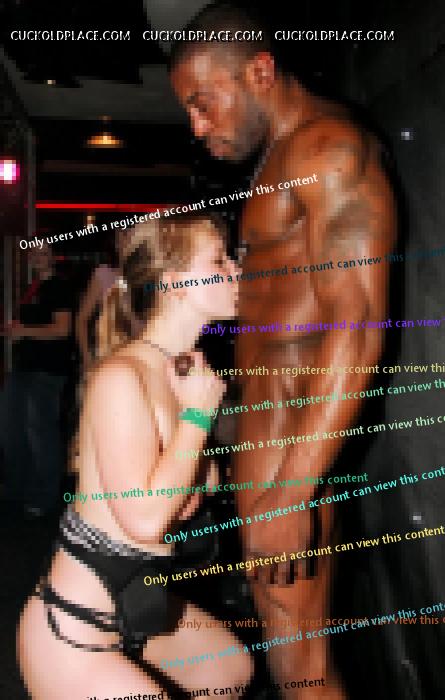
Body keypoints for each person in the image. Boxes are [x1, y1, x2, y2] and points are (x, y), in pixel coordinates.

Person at [169, 4, 397, 696]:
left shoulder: (328, 151)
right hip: (271, 434)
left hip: (292, 442)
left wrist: (293, 489)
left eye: (203, 103)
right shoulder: (284, 158)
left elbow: (357, 323)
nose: (197, 126)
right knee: (293, 660)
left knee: (302, 669)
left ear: (260, 72)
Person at [18, 216, 252, 699]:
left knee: (229, 672)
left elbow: (200, 487)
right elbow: (145, 518)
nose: (236, 270)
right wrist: (197, 418)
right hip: (75, 633)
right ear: (175, 282)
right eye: (219, 261)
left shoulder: (185, 374)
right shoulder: (122, 377)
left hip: (139, 608)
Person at [0, 244, 72, 517]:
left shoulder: (59, 287)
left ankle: (45, 497)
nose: (37, 257)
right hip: (24, 367)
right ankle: (17, 489)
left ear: (53, 257)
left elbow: (62, 330)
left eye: (42, 253)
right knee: (11, 429)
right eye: (33, 253)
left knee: (40, 433)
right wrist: (17, 332)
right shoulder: (33, 287)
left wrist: (24, 331)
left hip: (48, 370)